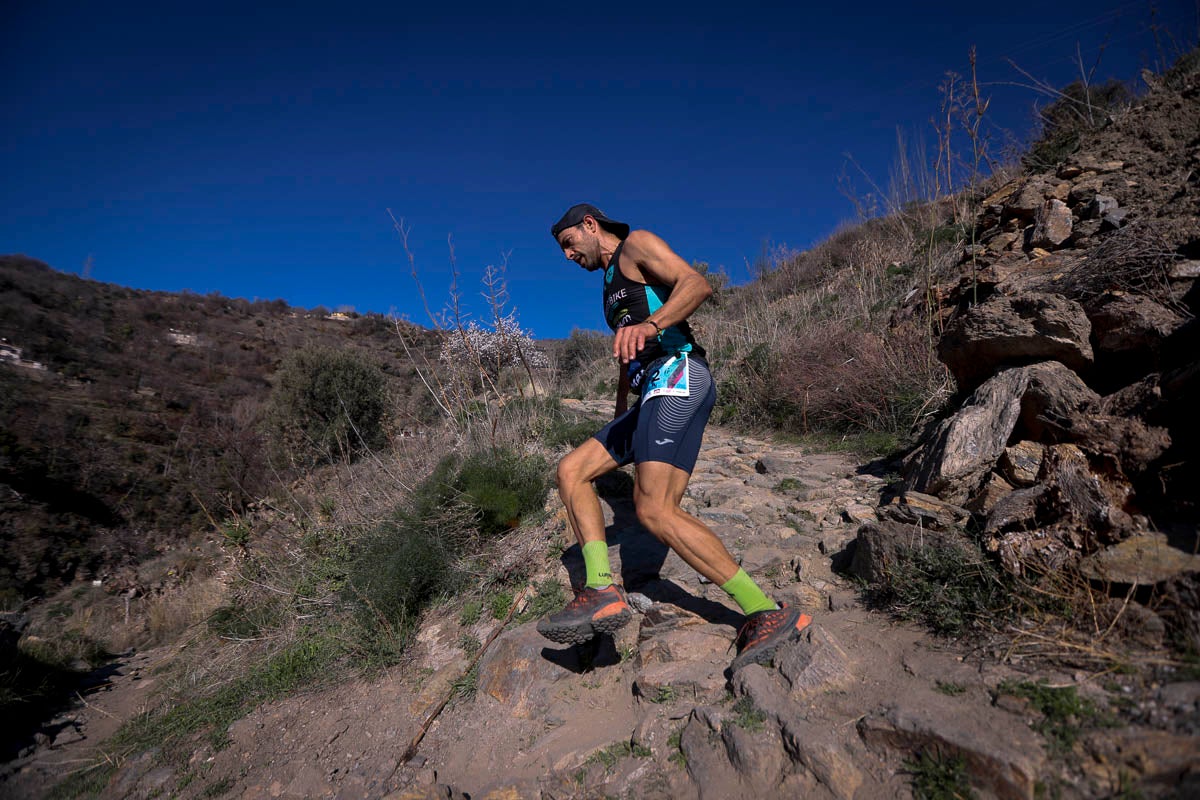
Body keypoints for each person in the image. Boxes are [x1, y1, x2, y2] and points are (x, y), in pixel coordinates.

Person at [537, 203, 812, 673]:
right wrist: (622, 408)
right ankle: (601, 590)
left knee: (653, 509)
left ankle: (766, 611)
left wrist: (652, 324)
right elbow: (630, 352)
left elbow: (697, 284)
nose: (566, 256)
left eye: (567, 244)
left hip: (680, 373)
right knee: (572, 471)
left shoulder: (636, 245)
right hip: (651, 391)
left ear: (589, 226)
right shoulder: (608, 289)